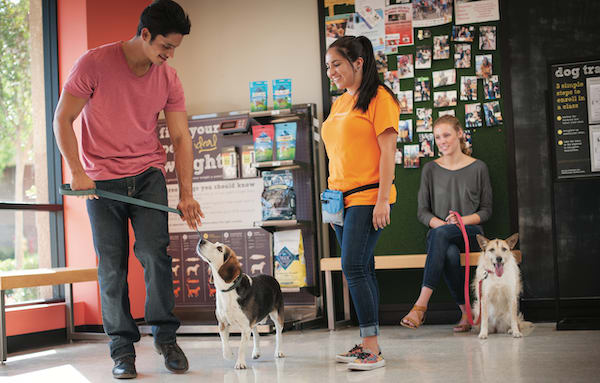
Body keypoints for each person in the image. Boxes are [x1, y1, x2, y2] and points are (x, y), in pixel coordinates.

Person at [53, 0, 202, 379]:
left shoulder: (168, 77)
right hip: (101, 182)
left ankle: (166, 338)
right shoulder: (94, 64)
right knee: (112, 268)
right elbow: (63, 118)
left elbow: (182, 137)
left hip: (148, 175)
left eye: (175, 49)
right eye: (165, 47)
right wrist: (77, 171)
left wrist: (186, 193)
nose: (168, 56)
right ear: (145, 34)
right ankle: (122, 350)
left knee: (156, 255)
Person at [322, 36, 399, 371]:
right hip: (338, 199)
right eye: (328, 66)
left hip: (367, 197)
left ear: (358, 62)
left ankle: (372, 349)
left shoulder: (380, 99)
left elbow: (388, 153)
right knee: (362, 268)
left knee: (352, 266)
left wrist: (383, 199)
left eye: (336, 64)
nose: (331, 72)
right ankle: (369, 342)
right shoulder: (341, 102)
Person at [400, 115, 492, 332]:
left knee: (440, 236)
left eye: (447, 135)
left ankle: (420, 306)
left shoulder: (479, 167)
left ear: (459, 134)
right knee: (448, 252)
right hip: (441, 234)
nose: (442, 141)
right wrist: (443, 225)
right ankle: (465, 314)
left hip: (471, 233)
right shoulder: (430, 169)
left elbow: (487, 211)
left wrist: (460, 222)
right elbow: (422, 212)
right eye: (438, 137)